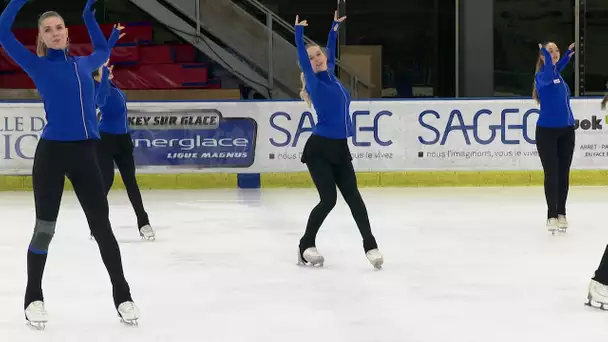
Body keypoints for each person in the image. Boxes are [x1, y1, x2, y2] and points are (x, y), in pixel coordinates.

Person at [0, 0, 139, 327]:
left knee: (102, 228)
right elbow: (2, 32)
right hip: (52, 154)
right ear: (42, 37)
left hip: (86, 155)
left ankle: (123, 295)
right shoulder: (37, 65)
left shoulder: (84, 63)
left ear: (66, 32)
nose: (55, 33)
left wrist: (90, 16)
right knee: (45, 229)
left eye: (59, 27)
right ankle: (33, 297)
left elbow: (103, 50)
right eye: (47, 30)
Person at [294, 11, 383, 269]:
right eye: (311, 58)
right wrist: (298, 33)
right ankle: (304, 246)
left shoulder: (331, 74)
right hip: (319, 150)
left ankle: (370, 245)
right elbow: (303, 55)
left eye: (319, 54)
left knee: (354, 197)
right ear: (306, 64)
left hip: (340, 149)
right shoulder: (313, 82)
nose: (317, 59)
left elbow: (330, 51)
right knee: (329, 199)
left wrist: (333, 28)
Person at [93, 61, 155, 240]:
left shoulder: (112, 85)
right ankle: (97, 222)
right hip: (105, 141)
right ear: (97, 76)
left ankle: (144, 223)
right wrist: (104, 75)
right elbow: (101, 101)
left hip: (124, 140)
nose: (109, 69)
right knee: (106, 182)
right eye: (103, 69)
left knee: (131, 183)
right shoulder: (99, 91)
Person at [532, 41, 576, 234]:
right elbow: (550, 71)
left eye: (556, 50)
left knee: (563, 174)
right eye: (550, 51)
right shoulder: (542, 77)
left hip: (567, 131)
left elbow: (559, 66)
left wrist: (568, 53)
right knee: (552, 174)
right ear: (543, 56)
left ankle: (561, 213)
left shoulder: (557, 75)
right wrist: (547, 55)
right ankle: (551, 215)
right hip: (546, 133)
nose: (554, 53)